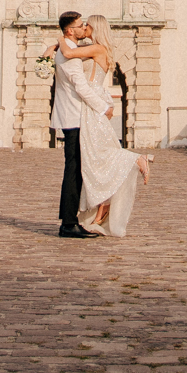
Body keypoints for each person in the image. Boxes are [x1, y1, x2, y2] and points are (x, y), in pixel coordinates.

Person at [72, 13, 151, 236]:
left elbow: (68, 52)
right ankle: (100, 213)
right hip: (94, 104)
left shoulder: (97, 49)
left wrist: (59, 40)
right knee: (95, 159)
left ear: (95, 28)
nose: (84, 27)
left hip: (92, 106)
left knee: (98, 156)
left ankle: (136, 158)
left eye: (87, 25)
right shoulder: (99, 49)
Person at [44, 12, 96, 239]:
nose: (84, 27)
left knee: (74, 169)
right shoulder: (70, 56)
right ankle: (68, 223)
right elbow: (81, 89)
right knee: (73, 171)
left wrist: (56, 44)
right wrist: (104, 108)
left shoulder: (67, 48)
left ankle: (71, 219)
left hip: (71, 116)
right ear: (70, 31)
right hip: (74, 118)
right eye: (80, 25)